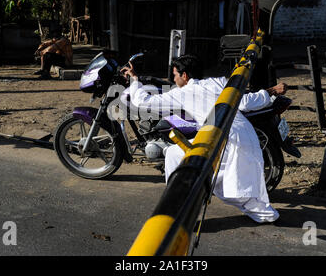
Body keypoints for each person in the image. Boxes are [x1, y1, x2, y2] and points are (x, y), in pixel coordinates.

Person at [121, 55, 287, 223]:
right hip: (244, 134)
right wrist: (270, 91)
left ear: (184, 76)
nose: (173, 79)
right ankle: (267, 215)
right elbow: (244, 102)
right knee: (227, 182)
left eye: (175, 75)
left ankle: (178, 210)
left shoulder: (182, 93)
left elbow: (143, 102)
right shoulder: (218, 82)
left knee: (220, 182)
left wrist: (135, 80)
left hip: (223, 138)